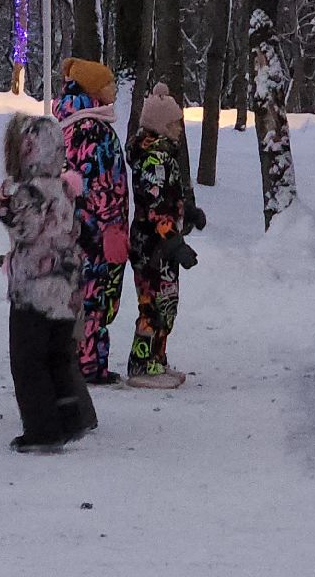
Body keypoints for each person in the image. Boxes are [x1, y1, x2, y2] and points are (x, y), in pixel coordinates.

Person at [0, 113, 95, 451]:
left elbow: (26, 228)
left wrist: (5, 208)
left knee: (28, 361)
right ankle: (69, 418)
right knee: (58, 357)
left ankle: (42, 431)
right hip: (65, 291)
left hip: (33, 292)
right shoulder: (65, 189)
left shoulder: (32, 192)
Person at [53, 58, 129, 385]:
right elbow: (97, 183)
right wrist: (110, 224)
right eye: (109, 84)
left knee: (80, 295)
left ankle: (78, 361)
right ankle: (87, 365)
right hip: (95, 231)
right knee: (95, 297)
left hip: (77, 228)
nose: (114, 89)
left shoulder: (72, 123)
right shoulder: (91, 129)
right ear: (93, 90)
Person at [125, 84, 206, 389]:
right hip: (153, 247)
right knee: (153, 305)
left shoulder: (166, 156)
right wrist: (174, 242)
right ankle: (141, 363)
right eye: (175, 124)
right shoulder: (153, 160)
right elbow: (154, 206)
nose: (180, 130)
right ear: (160, 125)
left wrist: (189, 213)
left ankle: (157, 361)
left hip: (164, 245)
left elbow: (170, 198)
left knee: (167, 304)